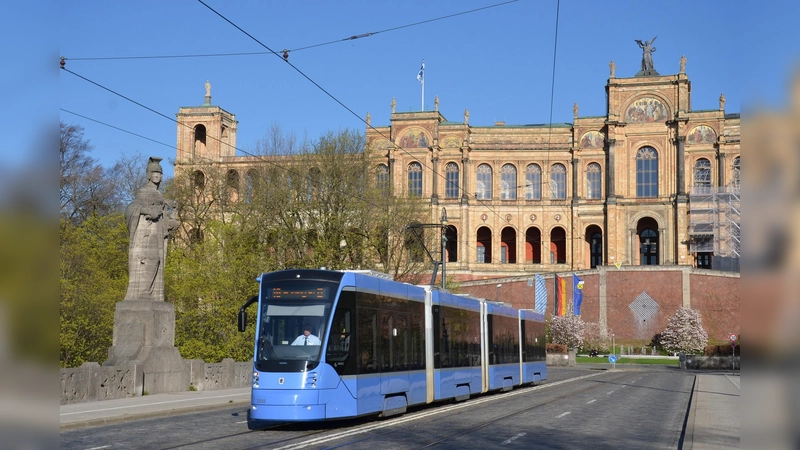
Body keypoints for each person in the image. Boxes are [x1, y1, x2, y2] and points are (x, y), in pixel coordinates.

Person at [123, 157, 179, 301]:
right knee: (150, 259)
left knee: (157, 261)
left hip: (157, 233)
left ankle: (150, 293)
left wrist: (170, 221)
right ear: (148, 175)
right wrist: (147, 211)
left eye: (159, 173)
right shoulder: (144, 191)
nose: (157, 175)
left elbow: (162, 218)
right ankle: (143, 292)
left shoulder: (159, 194)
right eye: (154, 172)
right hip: (146, 235)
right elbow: (131, 208)